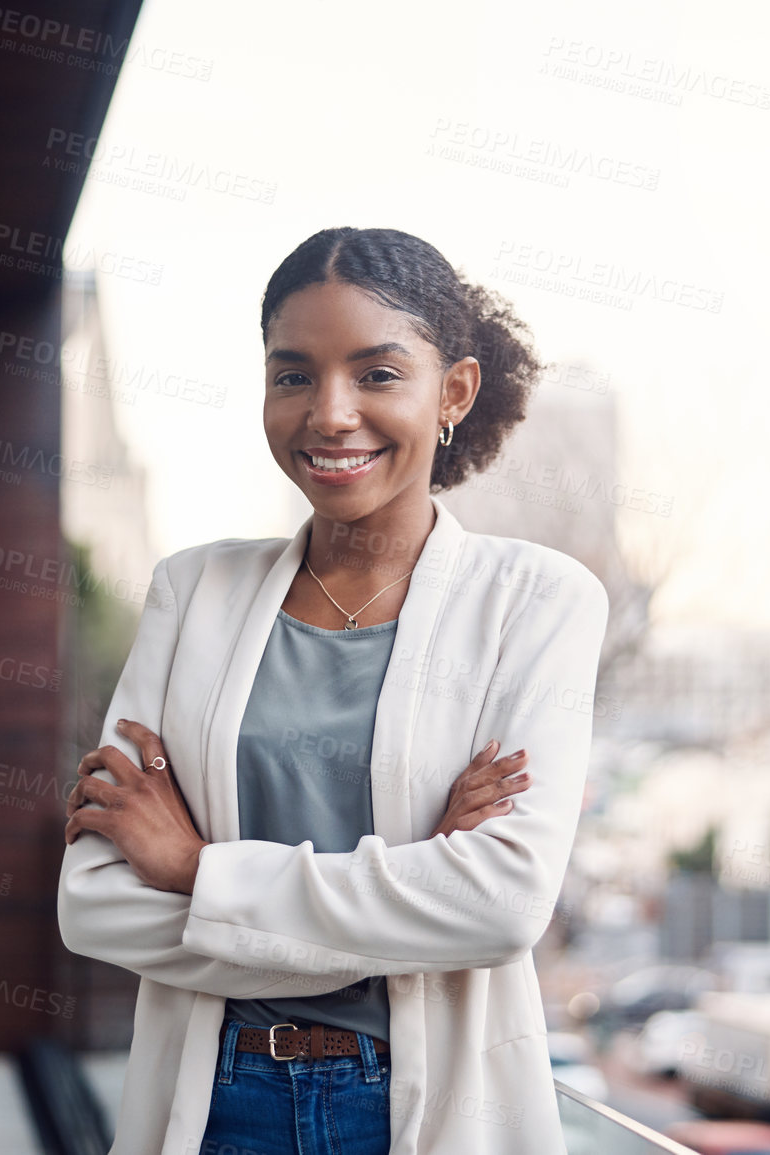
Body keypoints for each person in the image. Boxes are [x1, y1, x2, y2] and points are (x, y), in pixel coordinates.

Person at [57, 226, 610, 1154]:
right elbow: (94, 903)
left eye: (378, 373)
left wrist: (196, 869)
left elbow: (502, 905)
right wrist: (417, 875)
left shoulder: (537, 601)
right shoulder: (193, 593)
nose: (330, 413)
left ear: (454, 392)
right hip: (216, 1102)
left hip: (419, 1110)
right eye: (293, 375)